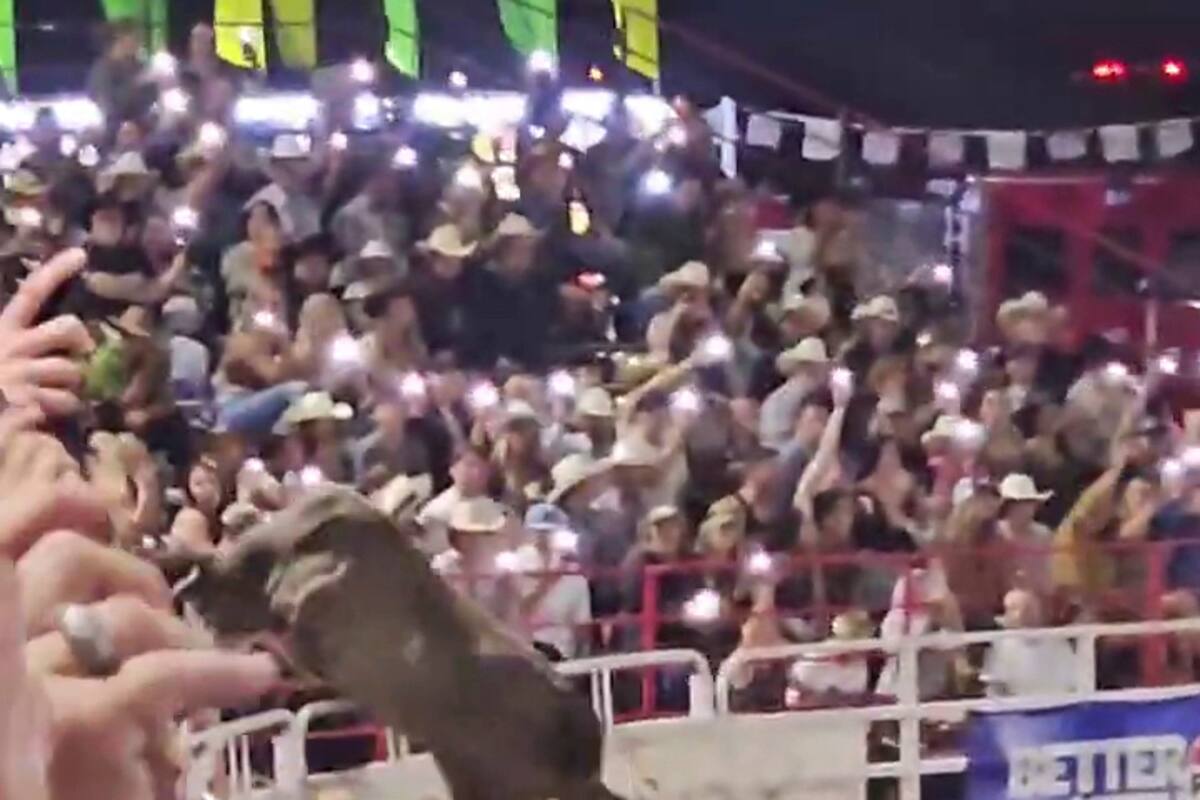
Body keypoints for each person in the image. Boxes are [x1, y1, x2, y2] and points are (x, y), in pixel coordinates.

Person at [514, 504, 592, 660]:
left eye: (550, 531)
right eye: (538, 531)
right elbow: (514, 613)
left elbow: (583, 628)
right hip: (522, 652)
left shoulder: (575, 576)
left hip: (561, 654)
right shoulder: (514, 566)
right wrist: (546, 582)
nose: (543, 537)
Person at [982, 589, 1075, 697]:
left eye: (1015, 608)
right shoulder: (1002, 645)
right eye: (1009, 609)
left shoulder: (1059, 643)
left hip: (1057, 707)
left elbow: (1073, 684)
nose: (1010, 614)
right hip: (1017, 709)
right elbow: (995, 686)